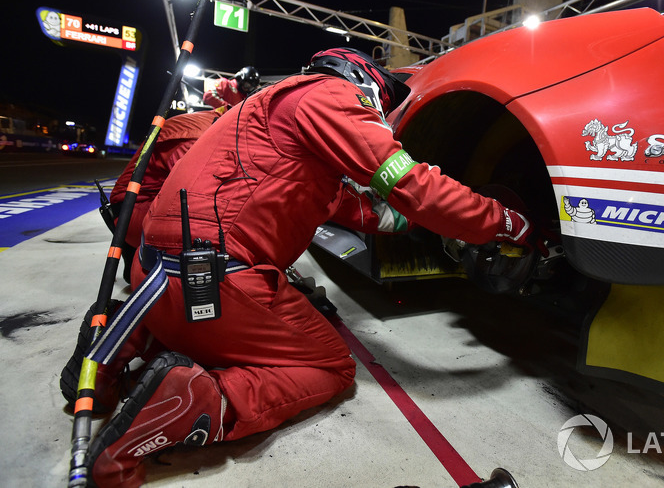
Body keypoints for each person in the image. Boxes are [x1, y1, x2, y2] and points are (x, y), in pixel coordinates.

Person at [82, 48, 540, 487]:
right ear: (362, 80)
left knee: (207, 311)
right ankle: (198, 403)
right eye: (381, 100)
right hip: (215, 284)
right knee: (330, 366)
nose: (379, 111)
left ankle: (112, 359)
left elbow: (367, 210)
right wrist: (507, 223)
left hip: (152, 278)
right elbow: (411, 186)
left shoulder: (270, 123)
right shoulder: (331, 96)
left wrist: (430, 217)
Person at [107, 109, 222, 283]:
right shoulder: (195, 137)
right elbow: (194, 190)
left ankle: (138, 257)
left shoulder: (208, 122)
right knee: (213, 222)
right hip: (132, 213)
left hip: (134, 206)